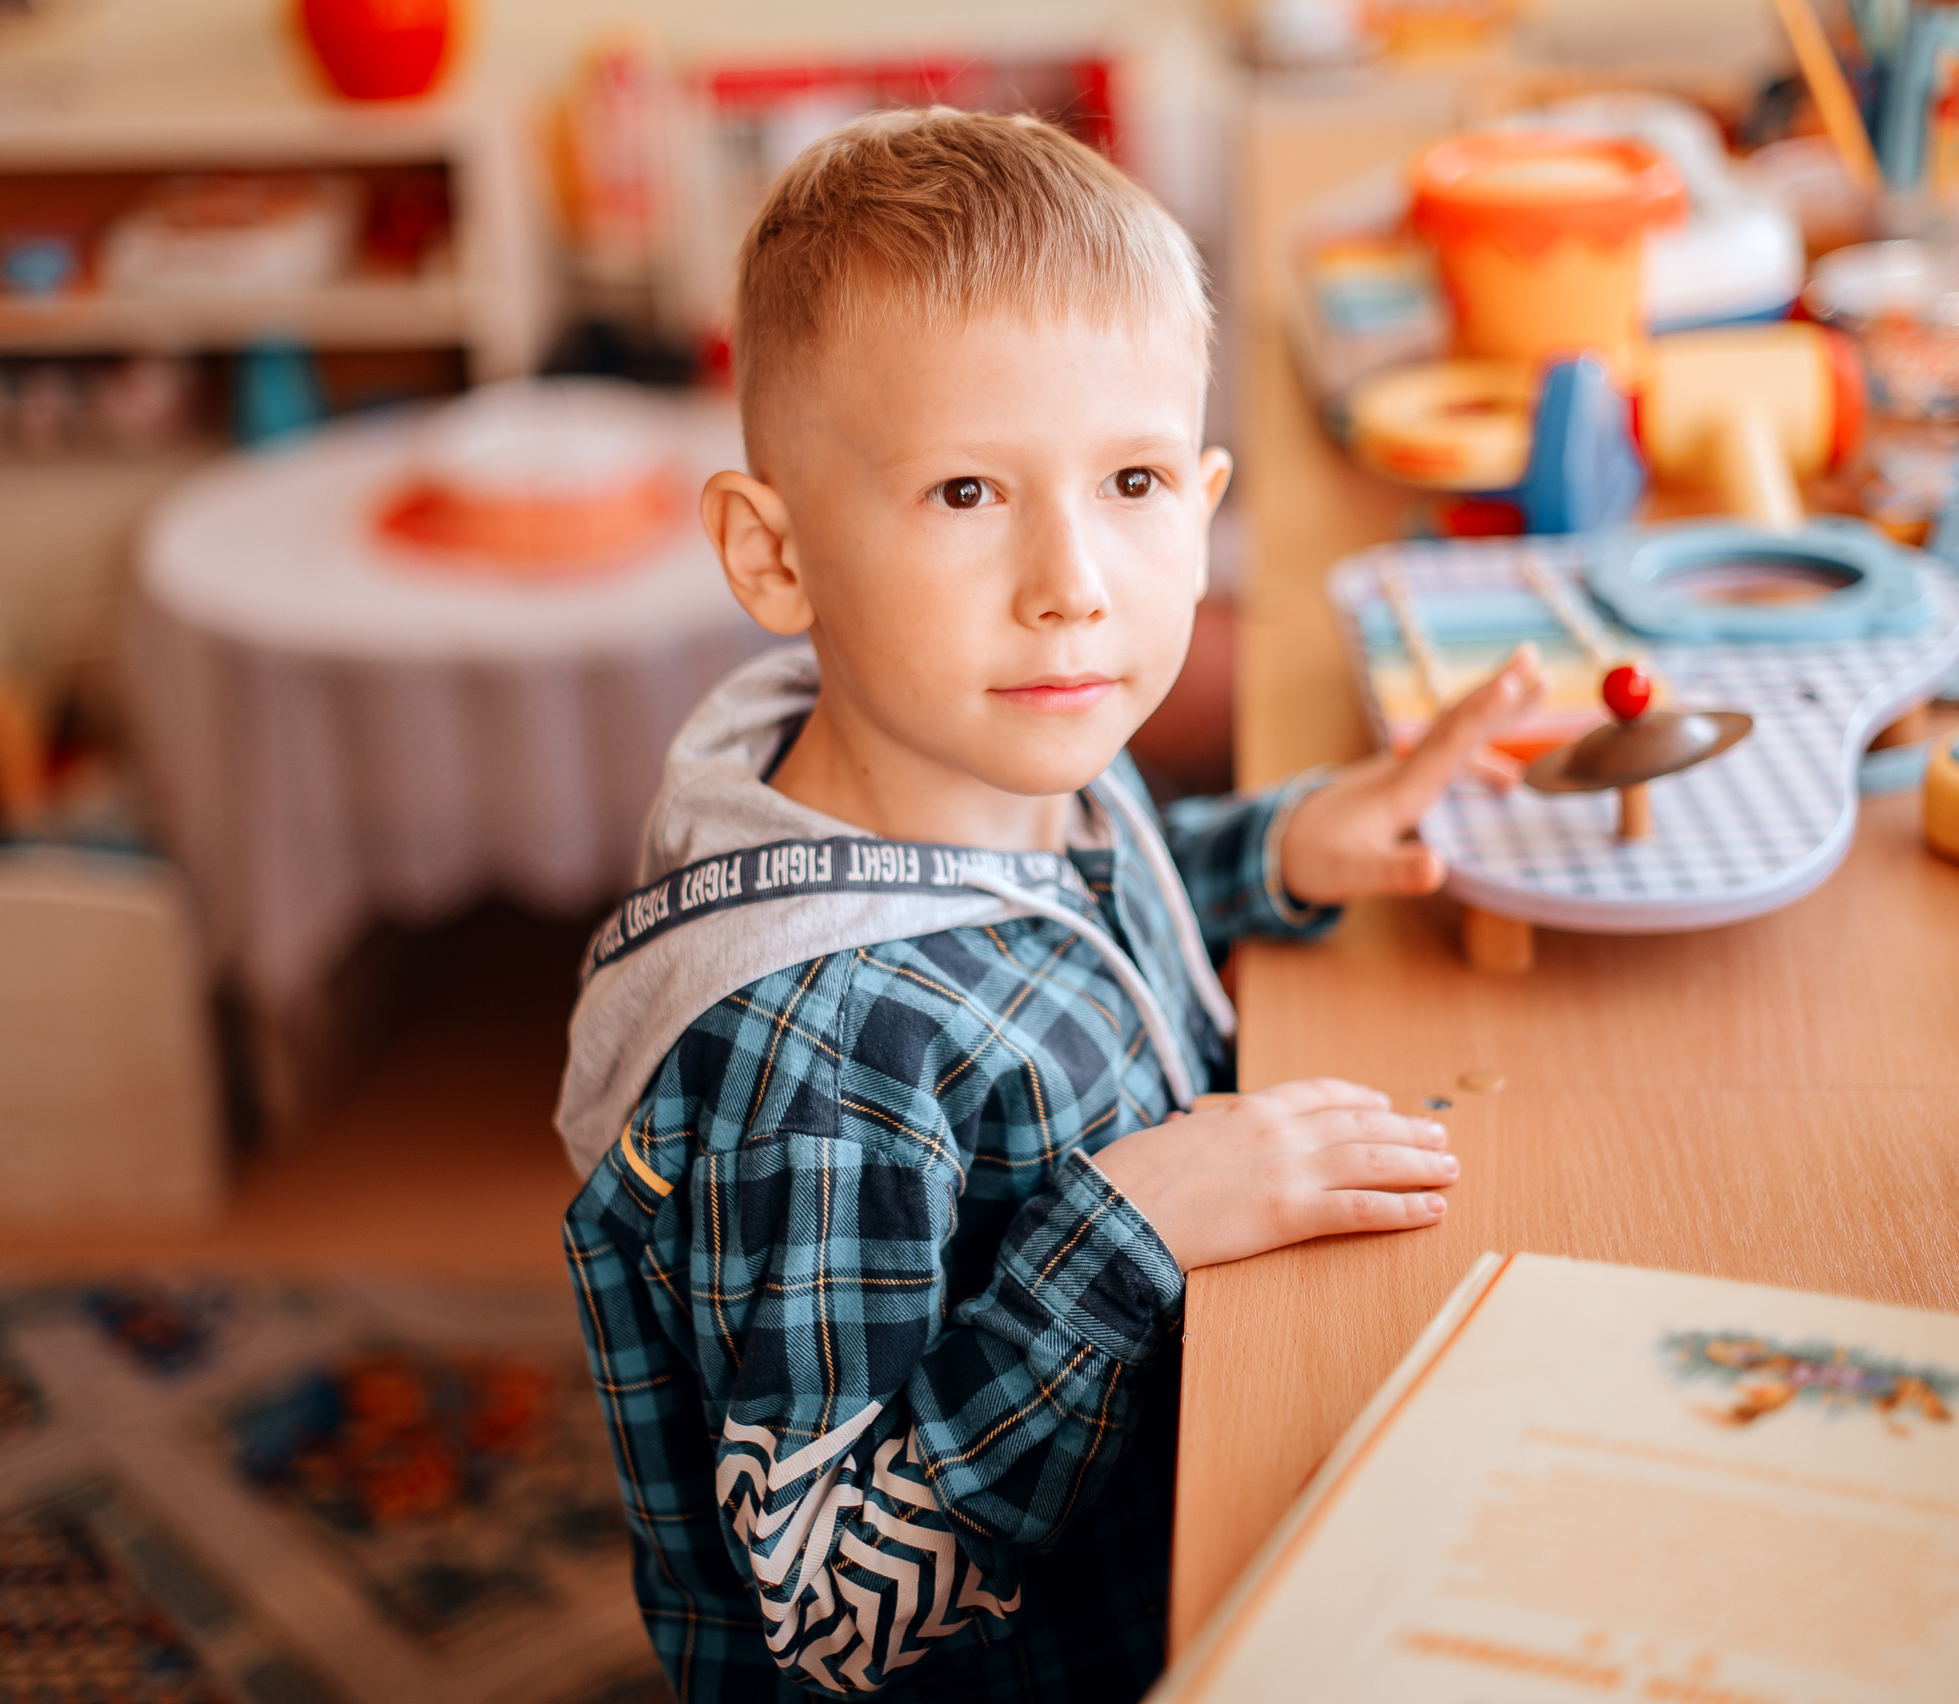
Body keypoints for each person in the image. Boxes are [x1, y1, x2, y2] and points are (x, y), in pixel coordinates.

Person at [556, 107, 1544, 1702]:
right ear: (776, 553)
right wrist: (1130, 1233)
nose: (1072, 579)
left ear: (1206, 499)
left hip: (1191, 1508)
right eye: (964, 493)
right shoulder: (817, 1072)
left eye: (1135, 479)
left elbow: (1065, 922)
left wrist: (1283, 851)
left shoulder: (995, 745)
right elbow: (837, 1611)